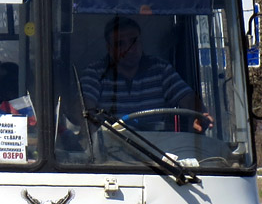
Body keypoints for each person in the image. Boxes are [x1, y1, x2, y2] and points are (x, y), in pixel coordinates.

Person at [80, 16, 208, 129]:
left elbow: (188, 98)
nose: (129, 49)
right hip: (109, 152)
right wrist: (86, 116)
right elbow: (85, 107)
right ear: (109, 48)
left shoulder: (160, 70)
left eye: (133, 42)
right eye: (120, 44)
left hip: (157, 152)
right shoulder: (96, 73)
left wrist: (200, 114)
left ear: (141, 42)